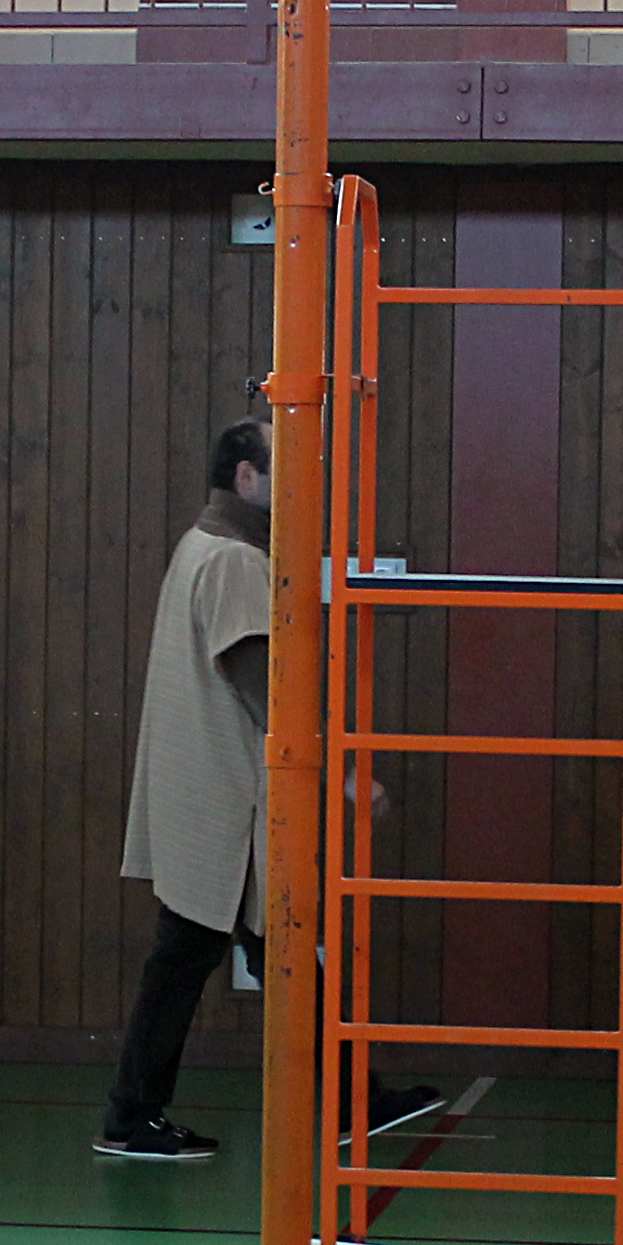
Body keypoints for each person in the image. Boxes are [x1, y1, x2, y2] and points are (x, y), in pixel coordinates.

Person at [101, 418, 433, 1160]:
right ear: (246, 478)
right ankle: (134, 1115)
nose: (302, 485)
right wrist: (347, 773)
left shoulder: (203, 546)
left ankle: (350, 1099)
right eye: (287, 469)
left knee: (251, 950)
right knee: (214, 953)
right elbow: (263, 685)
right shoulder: (233, 562)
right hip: (227, 802)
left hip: (207, 793)